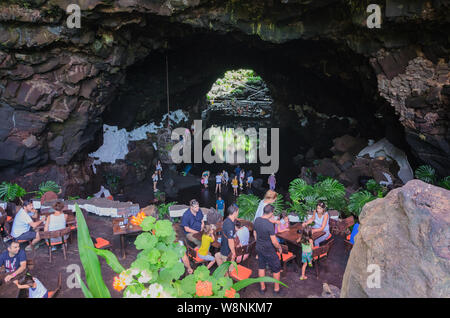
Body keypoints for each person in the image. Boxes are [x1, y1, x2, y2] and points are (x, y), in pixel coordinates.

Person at [254, 204, 283, 295]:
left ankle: (262, 288)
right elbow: (274, 241)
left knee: (261, 267)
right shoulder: (269, 225)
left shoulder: (257, 220)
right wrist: (279, 248)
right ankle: (276, 289)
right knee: (276, 268)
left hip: (259, 247)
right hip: (269, 250)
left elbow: (255, 233)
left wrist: (258, 241)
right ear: (271, 213)